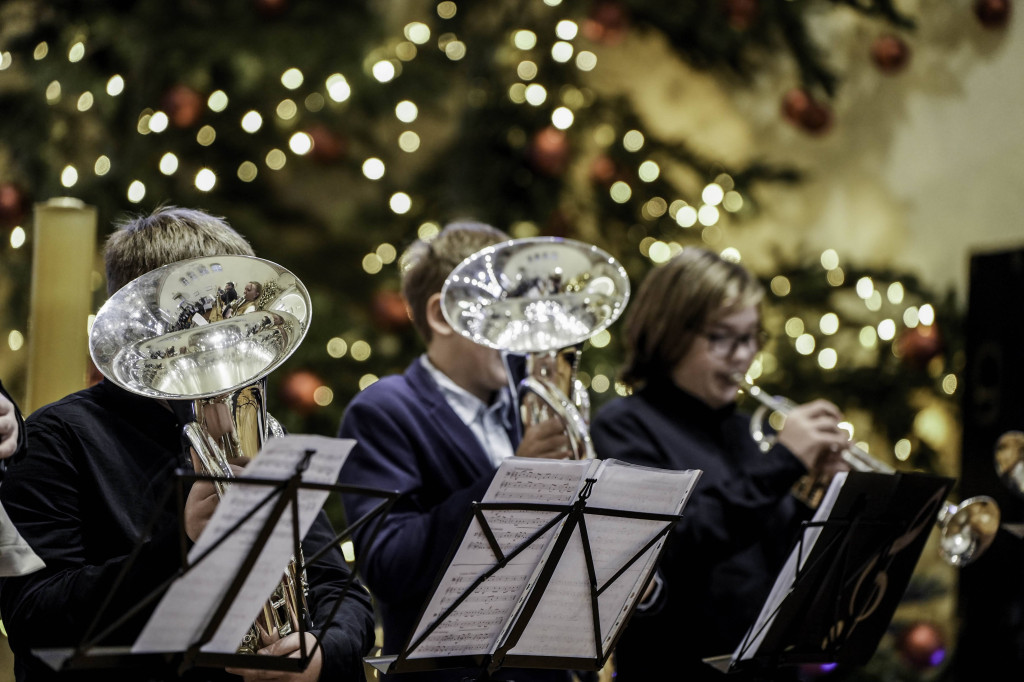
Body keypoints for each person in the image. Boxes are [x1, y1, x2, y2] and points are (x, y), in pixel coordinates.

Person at [0, 206, 376, 682]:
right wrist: (180, 545)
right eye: (196, 326)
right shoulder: (58, 437)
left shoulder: (257, 428)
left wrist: (321, 653)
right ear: (135, 327)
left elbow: (338, 589)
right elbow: (33, 618)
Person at [589, 247, 852, 681]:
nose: (742, 355)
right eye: (723, 337)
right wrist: (785, 462)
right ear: (669, 334)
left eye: (751, 337)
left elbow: (780, 564)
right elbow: (680, 539)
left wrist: (821, 495)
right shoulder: (625, 427)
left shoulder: (745, 432)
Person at [337, 221, 575, 682]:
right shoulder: (383, 410)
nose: (521, 330)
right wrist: (513, 480)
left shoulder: (527, 406)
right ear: (443, 315)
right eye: (505, 308)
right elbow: (388, 566)